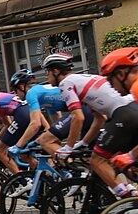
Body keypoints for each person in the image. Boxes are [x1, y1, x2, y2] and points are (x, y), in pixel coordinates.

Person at [43, 52, 138, 197]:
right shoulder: (83, 79)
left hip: (122, 114)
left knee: (97, 161)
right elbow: (99, 119)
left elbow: (78, 117)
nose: (47, 76)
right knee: (124, 162)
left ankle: (129, 200)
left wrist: (68, 147)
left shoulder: (65, 83)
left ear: (56, 71)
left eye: (48, 72)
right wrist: (83, 142)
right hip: (131, 109)